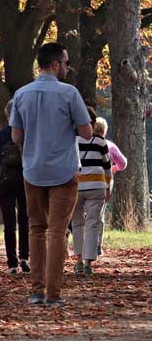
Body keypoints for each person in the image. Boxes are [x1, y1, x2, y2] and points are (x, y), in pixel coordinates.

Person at [11, 42, 93, 306]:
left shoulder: (21, 94)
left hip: (32, 170)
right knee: (57, 231)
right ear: (56, 64)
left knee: (36, 228)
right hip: (64, 169)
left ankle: (36, 290)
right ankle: (53, 294)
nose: (68, 67)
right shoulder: (70, 94)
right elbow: (87, 133)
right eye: (66, 63)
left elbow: (16, 136)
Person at [0, 100, 30, 274]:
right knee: (25, 219)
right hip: (25, 181)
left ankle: (12, 263)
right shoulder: (27, 134)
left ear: (7, 114)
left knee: (9, 223)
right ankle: (25, 256)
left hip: (4, 182)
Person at [72, 117, 112, 277]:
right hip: (97, 185)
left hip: (76, 186)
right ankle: (88, 263)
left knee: (77, 223)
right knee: (93, 224)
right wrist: (108, 186)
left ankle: (79, 260)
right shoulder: (101, 142)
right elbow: (107, 166)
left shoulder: (73, 141)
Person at [97, 117, 127, 255]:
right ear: (105, 130)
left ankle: (85, 245)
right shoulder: (110, 146)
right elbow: (123, 163)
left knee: (84, 215)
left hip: (85, 181)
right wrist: (114, 168)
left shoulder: (83, 143)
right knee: (100, 214)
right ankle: (98, 245)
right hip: (105, 181)